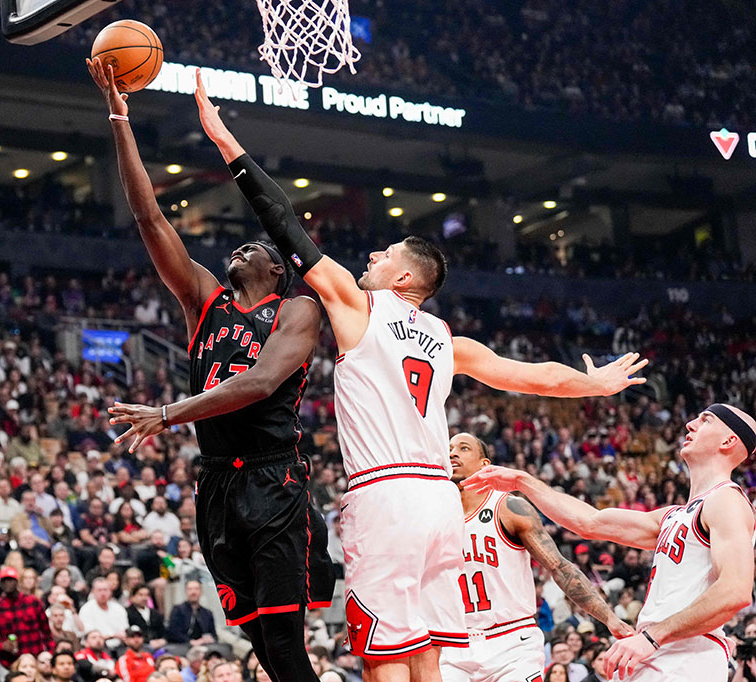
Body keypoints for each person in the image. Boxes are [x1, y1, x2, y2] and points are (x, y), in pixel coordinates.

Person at [189, 71, 647, 682]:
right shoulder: (446, 340)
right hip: (441, 505)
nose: (371, 257)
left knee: (382, 659)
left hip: (388, 497)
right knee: (429, 655)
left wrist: (227, 144)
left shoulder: (359, 306)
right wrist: (595, 384)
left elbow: (286, 227)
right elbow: (531, 377)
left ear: (406, 280)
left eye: (386, 256)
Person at [88, 59, 334, 682]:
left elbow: (256, 384)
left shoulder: (298, 309)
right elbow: (149, 219)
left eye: (257, 247)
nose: (240, 247)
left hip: (274, 478)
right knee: (261, 641)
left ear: (278, 269)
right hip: (217, 485)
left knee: (283, 639)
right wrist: (120, 117)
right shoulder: (204, 298)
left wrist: (167, 414)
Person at [463, 404, 756, 682]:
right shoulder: (675, 515)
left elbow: (735, 591)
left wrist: (652, 637)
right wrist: (522, 481)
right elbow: (589, 522)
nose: (690, 424)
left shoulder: (726, 500)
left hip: (687, 653)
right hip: (660, 650)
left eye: (706, 420)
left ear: (729, 440)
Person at [440, 433, 632, 682]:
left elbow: (560, 567)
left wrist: (609, 618)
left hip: (511, 642)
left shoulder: (509, 508)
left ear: (484, 465)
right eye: (450, 448)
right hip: (455, 643)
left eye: (463, 448)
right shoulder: (436, 516)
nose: (453, 453)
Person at [0, 566, 51, 669]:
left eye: (10, 580)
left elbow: (46, 630)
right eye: (4, 581)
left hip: (35, 657)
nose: (7, 584)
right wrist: (2, 645)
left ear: (17, 582)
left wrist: (49, 652)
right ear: (0, 584)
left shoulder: (32, 602)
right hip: (10, 661)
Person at [78, 579, 128, 649]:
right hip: (97, 647)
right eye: (99, 590)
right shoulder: (86, 609)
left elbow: (124, 631)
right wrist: (112, 636)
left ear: (110, 592)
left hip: (119, 647)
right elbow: (90, 635)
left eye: (105, 590)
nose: (103, 593)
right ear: (93, 592)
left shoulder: (119, 609)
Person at [166, 581, 216, 647]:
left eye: (196, 589)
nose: (193, 592)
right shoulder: (177, 610)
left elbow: (213, 634)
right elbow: (173, 633)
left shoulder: (207, 613)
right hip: (182, 646)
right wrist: (191, 642)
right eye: (190, 589)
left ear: (201, 591)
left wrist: (207, 639)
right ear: (186, 591)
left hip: (204, 646)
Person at [126, 586, 166, 651]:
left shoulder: (154, 613)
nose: (144, 598)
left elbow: (162, 630)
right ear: (132, 597)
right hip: (139, 646)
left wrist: (162, 640)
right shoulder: (127, 612)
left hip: (158, 644)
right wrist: (147, 641)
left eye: (146, 595)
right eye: (140, 595)